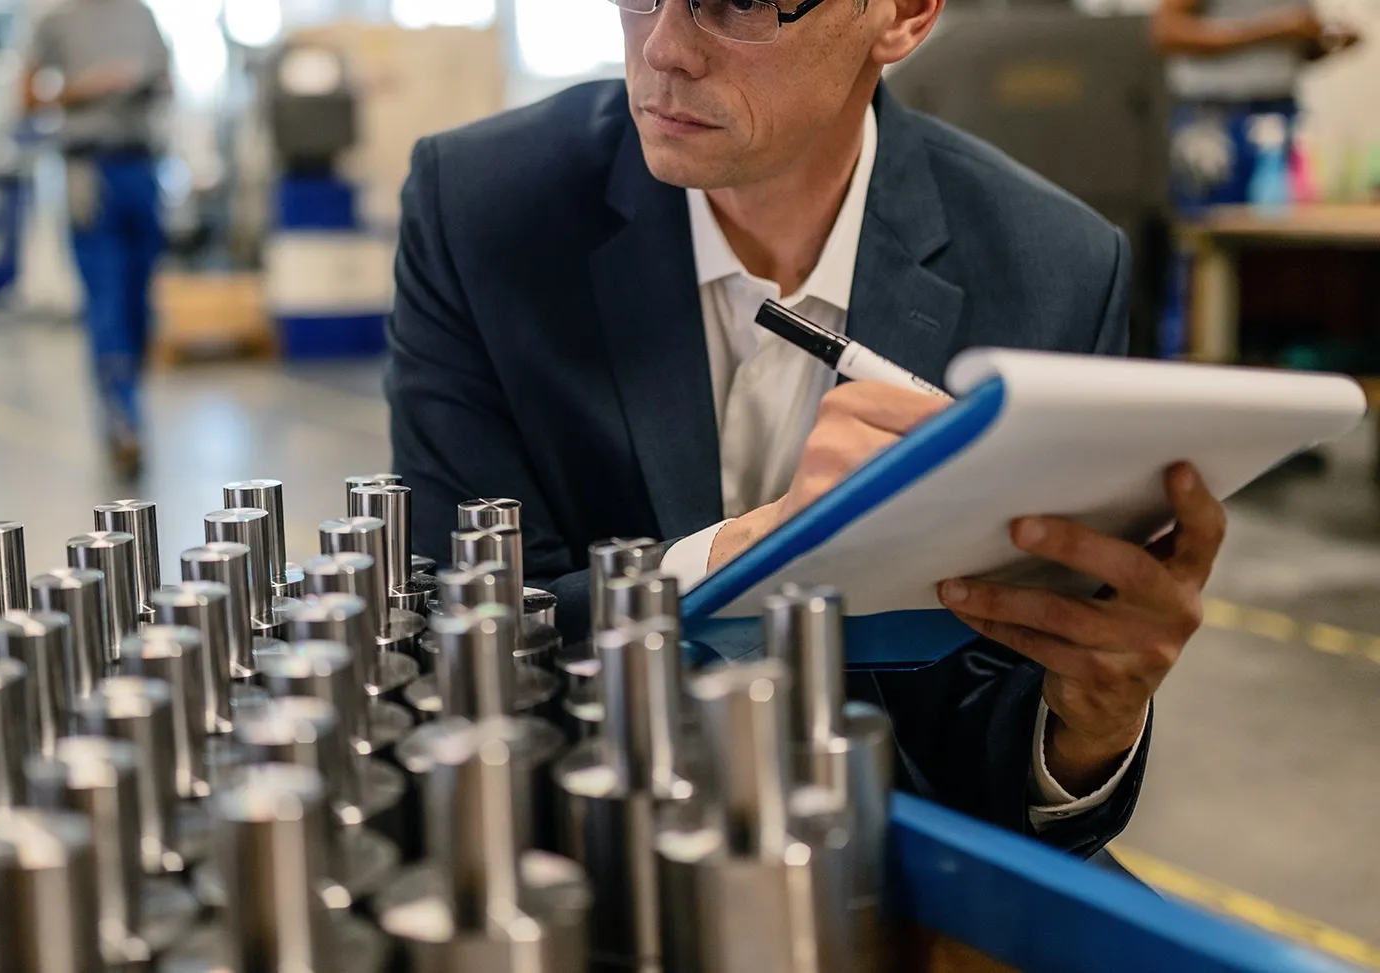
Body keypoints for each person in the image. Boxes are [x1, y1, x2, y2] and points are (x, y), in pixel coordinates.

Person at [386, 0, 1228, 858]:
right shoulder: (482, 210)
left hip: (882, 844)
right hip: (581, 833)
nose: (665, 49)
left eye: (741, 3)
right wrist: (755, 553)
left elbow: (992, 735)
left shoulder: (1052, 268)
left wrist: (1092, 721)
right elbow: (462, 630)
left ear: (903, 15)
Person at [22, 0, 174, 480]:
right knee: (107, 301)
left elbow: (167, 80)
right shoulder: (56, 21)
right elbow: (26, 96)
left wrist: (143, 83)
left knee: (139, 304)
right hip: (90, 172)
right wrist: (88, 87)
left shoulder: (141, 15)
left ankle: (128, 398)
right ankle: (122, 419)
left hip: (141, 167)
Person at [1153, 0, 1360, 209]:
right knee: (1215, 217)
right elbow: (1167, 31)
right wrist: (1274, 28)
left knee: (1281, 216)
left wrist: (1322, 40)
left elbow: (1285, 49)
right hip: (1217, 116)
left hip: (1279, 112)